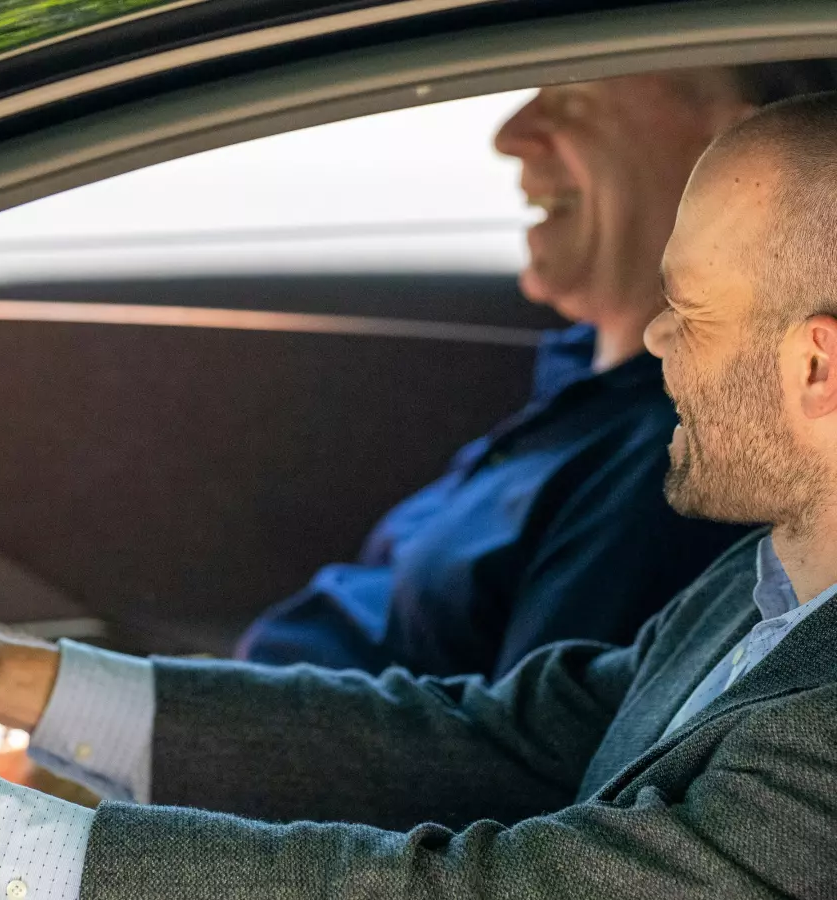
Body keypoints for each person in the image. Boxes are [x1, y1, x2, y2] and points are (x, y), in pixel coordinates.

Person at [0, 89, 837, 899]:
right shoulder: (771, 586)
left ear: (817, 370)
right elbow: (494, 744)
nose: (649, 340)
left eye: (689, 312)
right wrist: (13, 677)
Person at [236, 65, 837, 678]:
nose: (511, 134)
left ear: (739, 152)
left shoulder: (695, 453)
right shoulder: (585, 374)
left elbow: (519, 757)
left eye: (575, 91)